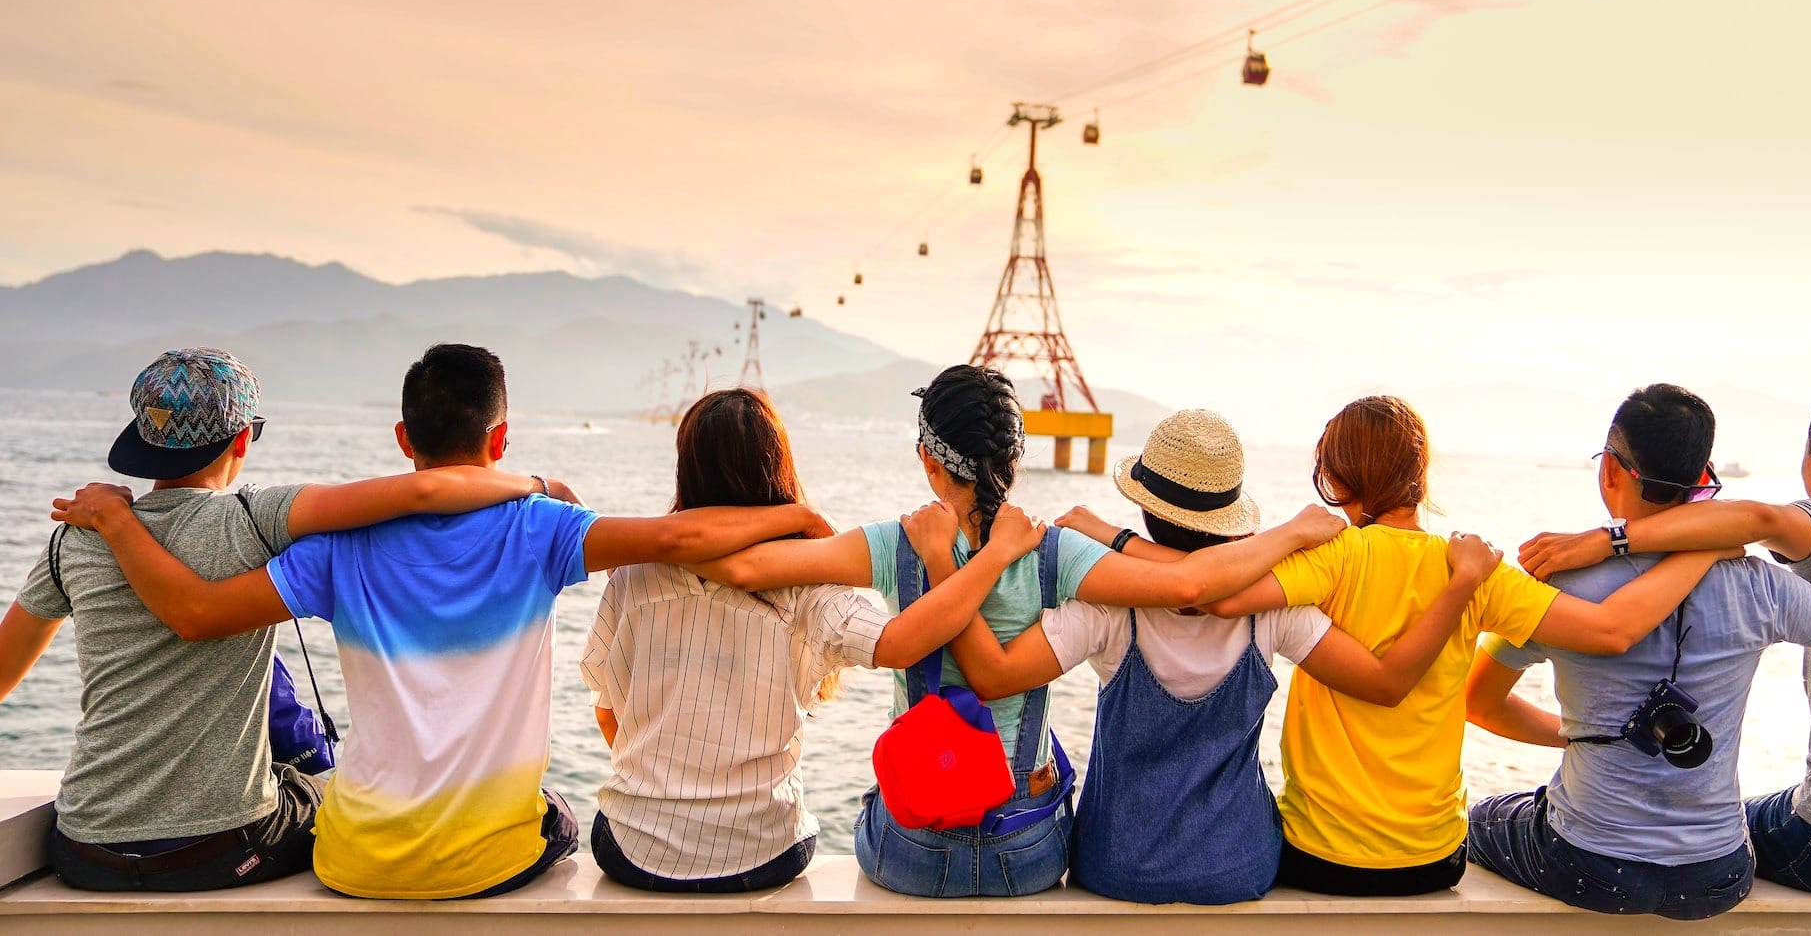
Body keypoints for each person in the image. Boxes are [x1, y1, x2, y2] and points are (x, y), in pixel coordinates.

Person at [51, 343, 829, 901]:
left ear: (402, 439)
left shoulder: (338, 546)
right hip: (487, 865)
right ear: (498, 439)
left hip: (353, 863)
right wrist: (801, 514)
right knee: (555, 810)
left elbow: (200, 611)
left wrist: (120, 526)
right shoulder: (543, 528)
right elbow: (683, 537)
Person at [675, 365, 1346, 898]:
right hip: (1023, 850)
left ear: (928, 461)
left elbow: (740, 565)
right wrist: (1292, 531)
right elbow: (1191, 585)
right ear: (1016, 460)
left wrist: (798, 512)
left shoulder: (893, 541)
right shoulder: (1055, 552)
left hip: (913, 848)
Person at [0, 347, 555, 892]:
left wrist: (115, 516)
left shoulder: (73, 538)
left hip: (83, 850)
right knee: (322, 788)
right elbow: (427, 490)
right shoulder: (255, 520)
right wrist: (538, 487)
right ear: (243, 439)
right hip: (215, 851)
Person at [931, 408, 1507, 905]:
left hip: (1115, 864)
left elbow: (993, 676)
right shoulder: (1275, 610)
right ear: (1228, 517)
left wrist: (945, 573)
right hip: (1240, 866)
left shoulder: (1108, 609)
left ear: (1147, 511)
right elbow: (1382, 681)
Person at [1466, 384, 1811, 920]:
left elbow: (1478, 701)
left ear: (1610, 471)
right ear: (1704, 480)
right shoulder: (1761, 586)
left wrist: (1577, 738)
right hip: (1717, 874)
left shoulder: (1555, 584)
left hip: (1591, 865)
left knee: (1484, 818)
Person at [1202, 395, 1744, 897]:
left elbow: (1216, 594)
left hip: (1321, 857)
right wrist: (1703, 549)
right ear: (1419, 473)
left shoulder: (1332, 557)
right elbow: (1611, 630)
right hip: (1434, 860)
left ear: (1336, 477)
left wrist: (1292, 534)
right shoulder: (1476, 569)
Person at [580, 388, 1049, 893]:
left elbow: (609, 711)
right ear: (779, 471)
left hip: (633, 849)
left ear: (685, 471)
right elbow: (899, 642)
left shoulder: (633, 576)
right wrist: (994, 555)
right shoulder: (809, 588)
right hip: (763, 852)